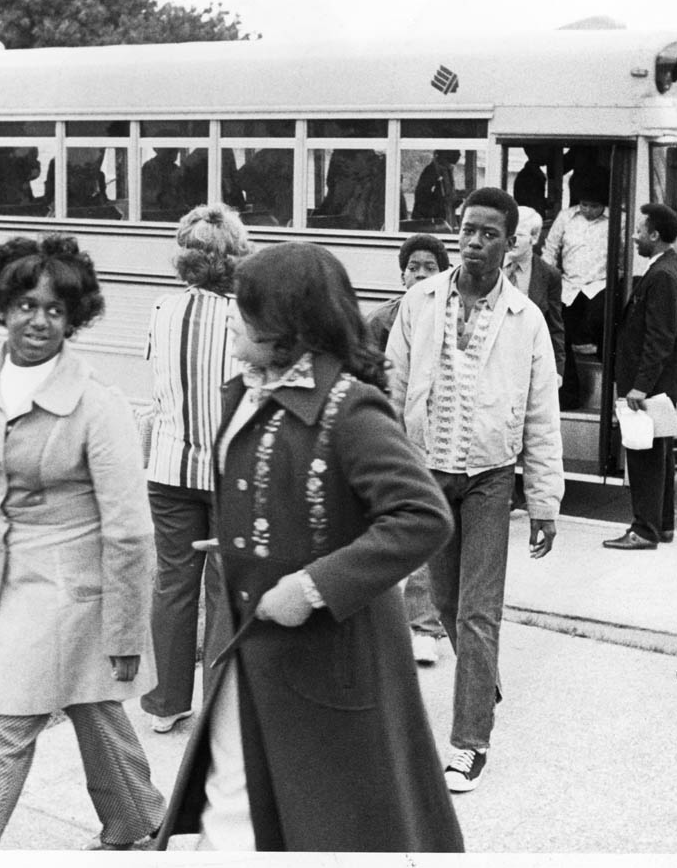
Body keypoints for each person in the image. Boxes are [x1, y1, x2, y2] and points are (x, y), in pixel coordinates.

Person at [155, 242, 462, 852]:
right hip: (250, 649)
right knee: (237, 808)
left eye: (245, 314)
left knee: (330, 827)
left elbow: (422, 516)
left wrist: (312, 585)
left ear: (284, 330)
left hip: (329, 662)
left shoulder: (350, 409)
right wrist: (249, 540)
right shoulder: (246, 391)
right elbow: (280, 488)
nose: (232, 323)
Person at [0, 234, 165, 850]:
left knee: (2, 724)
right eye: (26, 305)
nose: (39, 321)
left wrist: (126, 630)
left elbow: (130, 528)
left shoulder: (99, 405)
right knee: (93, 707)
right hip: (16, 583)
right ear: (1, 305)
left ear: (75, 318)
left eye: (55, 310)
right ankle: (139, 819)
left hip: (75, 593)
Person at [386, 186, 564, 793]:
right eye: (467, 229)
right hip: (428, 473)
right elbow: (393, 387)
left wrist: (544, 502)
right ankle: (480, 682)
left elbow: (542, 415)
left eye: (489, 233)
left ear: (510, 242)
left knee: (479, 609)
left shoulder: (527, 320)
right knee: (441, 602)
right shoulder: (421, 302)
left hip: (491, 476)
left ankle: (469, 744)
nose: (473, 242)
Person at [140, 204, 253, 734]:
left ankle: (166, 702)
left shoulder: (162, 310)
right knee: (223, 588)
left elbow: (157, 387)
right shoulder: (244, 316)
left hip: (167, 465)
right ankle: (217, 706)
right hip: (227, 474)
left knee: (172, 584)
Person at [364, 233, 452, 666]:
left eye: (429, 267)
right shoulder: (380, 322)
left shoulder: (451, 319)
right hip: (388, 439)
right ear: (402, 273)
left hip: (433, 441)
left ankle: (422, 625)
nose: (420, 274)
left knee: (423, 532)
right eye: (413, 266)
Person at [604, 204, 677, 551]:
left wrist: (639, 386)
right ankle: (663, 525)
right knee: (663, 455)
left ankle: (644, 530)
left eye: (640, 231)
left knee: (644, 456)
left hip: (651, 385)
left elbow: (660, 338)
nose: (635, 236)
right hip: (670, 383)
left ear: (655, 235)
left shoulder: (660, 275)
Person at [542, 173, 609, 409]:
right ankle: (569, 395)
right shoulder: (566, 217)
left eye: (594, 206)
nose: (589, 210)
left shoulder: (616, 220)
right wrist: (549, 278)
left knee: (599, 321)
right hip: (568, 287)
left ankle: (606, 394)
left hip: (600, 286)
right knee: (560, 335)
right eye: (585, 205)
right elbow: (550, 249)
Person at [504, 205, 566, 381]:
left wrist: (557, 369)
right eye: (510, 233)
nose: (513, 240)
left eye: (520, 235)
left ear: (534, 238)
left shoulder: (549, 275)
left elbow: (555, 325)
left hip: (526, 360)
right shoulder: (490, 265)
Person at [412, 149, 461, 228]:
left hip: (444, 220)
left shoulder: (446, 171)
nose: (449, 167)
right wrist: (445, 201)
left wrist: (455, 199)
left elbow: (447, 193)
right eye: (447, 164)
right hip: (429, 223)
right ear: (441, 158)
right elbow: (422, 200)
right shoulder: (430, 172)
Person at [141, 145, 185, 221]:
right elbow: (151, 194)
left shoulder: (174, 168)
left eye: (177, 150)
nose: (176, 153)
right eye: (172, 150)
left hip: (173, 211)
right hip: (155, 212)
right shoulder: (150, 167)